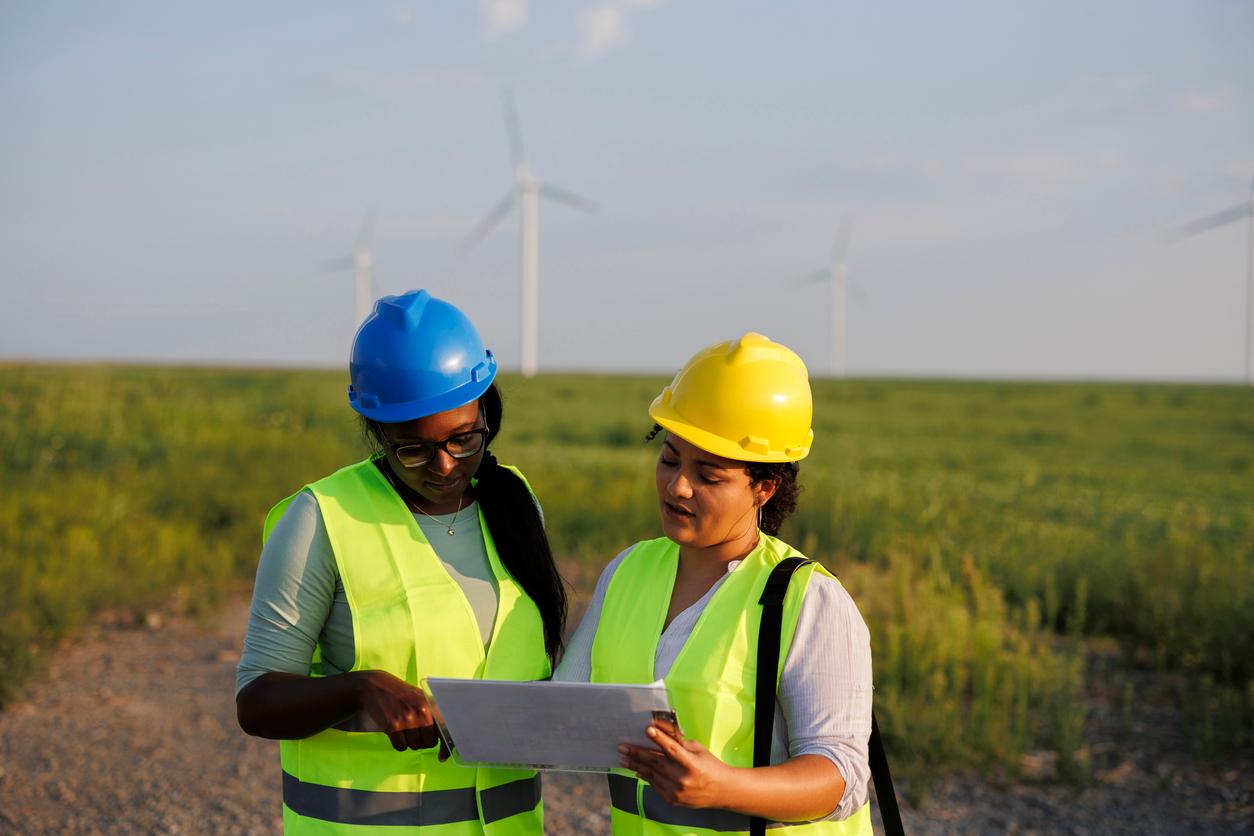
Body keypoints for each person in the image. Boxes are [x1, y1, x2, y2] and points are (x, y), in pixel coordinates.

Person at [236, 289, 565, 834]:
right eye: (412, 448)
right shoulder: (322, 519)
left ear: (487, 408)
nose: (444, 466)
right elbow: (257, 702)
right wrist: (359, 688)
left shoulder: (515, 504)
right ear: (377, 431)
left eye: (464, 439)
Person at [555, 332, 873, 834]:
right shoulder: (628, 571)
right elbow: (563, 710)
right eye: (670, 458)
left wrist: (723, 786)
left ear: (764, 486)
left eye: (709, 474)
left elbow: (841, 775)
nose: (679, 485)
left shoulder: (807, 600)